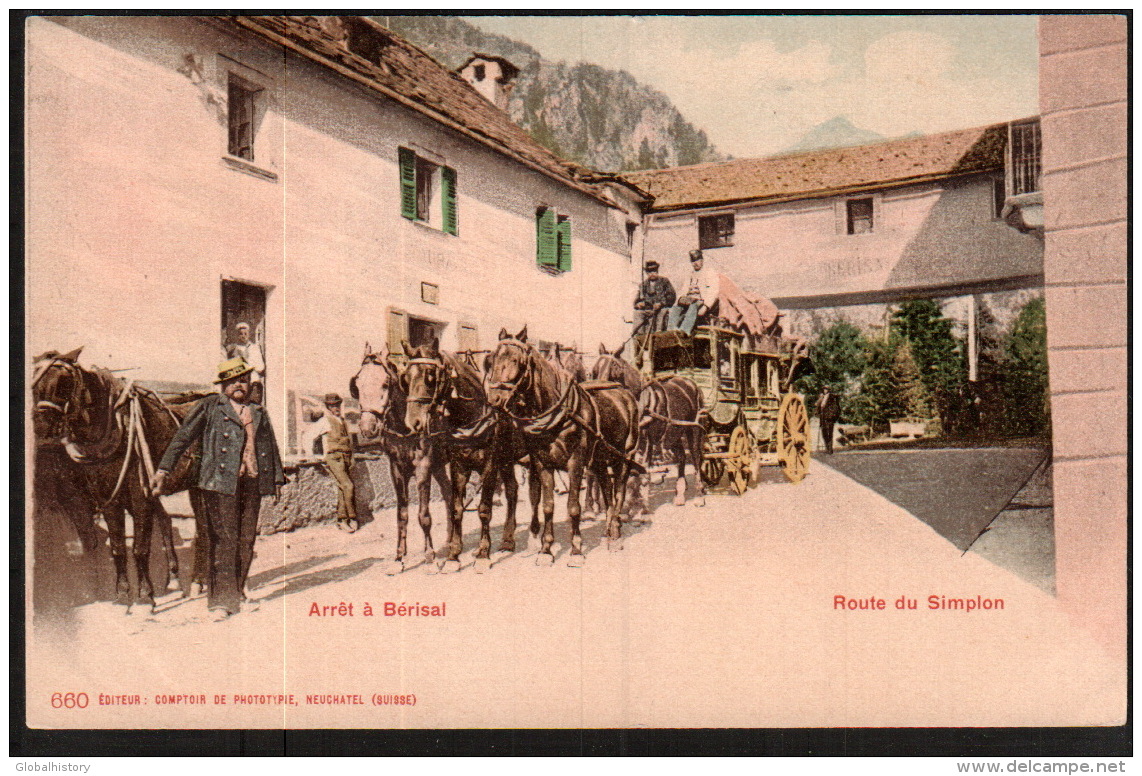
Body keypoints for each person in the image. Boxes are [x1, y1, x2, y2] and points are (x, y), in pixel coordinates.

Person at [152, 358, 285, 620]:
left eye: (243, 380)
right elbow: (182, 438)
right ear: (223, 384)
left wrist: (277, 480)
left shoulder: (258, 412)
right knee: (224, 541)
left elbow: (270, 447)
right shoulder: (211, 406)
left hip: (252, 483)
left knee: (246, 540)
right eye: (233, 380)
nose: (239, 385)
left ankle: (237, 592)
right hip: (219, 484)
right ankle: (220, 603)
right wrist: (163, 470)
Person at [320, 393, 359, 533]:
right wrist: (320, 456)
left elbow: (349, 440)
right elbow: (308, 436)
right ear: (328, 407)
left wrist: (352, 457)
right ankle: (350, 517)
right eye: (332, 405)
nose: (335, 407)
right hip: (334, 458)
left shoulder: (342, 421)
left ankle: (342, 520)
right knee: (348, 486)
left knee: (343, 488)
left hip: (346, 457)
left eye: (337, 404)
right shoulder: (325, 421)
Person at [667, 249, 717, 336]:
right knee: (676, 308)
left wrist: (706, 306)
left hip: (700, 300)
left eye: (697, 260)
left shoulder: (709, 273)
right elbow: (683, 290)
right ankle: (670, 331)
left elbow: (713, 292)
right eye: (693, 261)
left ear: (702, 260)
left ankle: (684, 331)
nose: (695, 263)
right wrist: (680, 299)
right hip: (689, 300)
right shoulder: (690, 275)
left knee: (693, 306)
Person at [632, 259, 676, 336]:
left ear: (657, 272)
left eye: (654, 271)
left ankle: (658, 335)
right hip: (647, 309)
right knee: (637, 313)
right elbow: (636, 301)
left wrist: (661, 303)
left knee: (662, 313)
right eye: (649, 272)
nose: (652, 274)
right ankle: (640, 337)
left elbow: (672, 296)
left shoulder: (664, 281)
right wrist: (638, 304)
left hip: (661, 309)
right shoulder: (643, 285)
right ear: (647, 273)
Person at [225, 322, 266, 404]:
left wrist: (246, 362)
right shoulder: (233, 349)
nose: (243, 336)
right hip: (240, 387)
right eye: (240, 334)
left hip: (254, 384)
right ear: (237, 335)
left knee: (254, 409)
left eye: (245, 333)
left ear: (249, 334)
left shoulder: (254, 348)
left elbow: (260, 367)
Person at [817, 386, 842, 455]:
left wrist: (832, 416)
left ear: (829, 390)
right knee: (824, 433)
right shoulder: (822, 397)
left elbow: (836, 408)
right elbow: (818, 407)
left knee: (829, 434)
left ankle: (830, 450)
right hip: (823, 418)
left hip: (829, 419)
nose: (825, 390)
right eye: (824, 389)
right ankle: (827, 449)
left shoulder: (832, 397)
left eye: (826, 389)